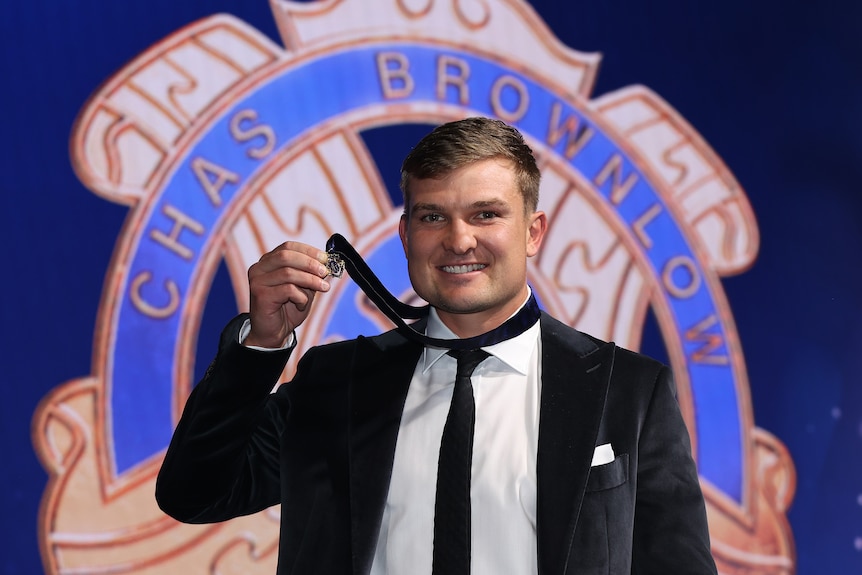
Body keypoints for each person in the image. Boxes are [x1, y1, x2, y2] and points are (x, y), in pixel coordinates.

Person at [156, 117, 717, 575]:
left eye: (486, 214)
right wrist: (262, 345)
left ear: (533, 232)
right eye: (432, 217)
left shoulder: (630, 392)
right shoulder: (336, 383)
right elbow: (194, 492)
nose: (458, 239)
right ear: (405, 236)